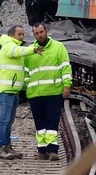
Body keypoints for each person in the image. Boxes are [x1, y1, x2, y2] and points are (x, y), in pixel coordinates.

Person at [23, 22, 71, 161]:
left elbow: (65, 67)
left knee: (52, 122)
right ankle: (42, 150)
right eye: (37, 33)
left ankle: (53, 150)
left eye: (41, 32)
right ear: (33, 35)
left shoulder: (58, 47)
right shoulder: (30, 51)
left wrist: (67, 86)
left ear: (46, 31)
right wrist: (27, 86)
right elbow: (26, 72)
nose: (40, 35)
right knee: (39, 123)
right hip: (35, 93)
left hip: (53, 92)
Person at [0, 25, 33, 160]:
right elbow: (16, 52)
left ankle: (8, 146)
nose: (22, 37)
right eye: (19, 34)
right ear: (12, 35)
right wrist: (34, 49)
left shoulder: (15, 47)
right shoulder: (8, 45)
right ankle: (2, 148)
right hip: (5, 91)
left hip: (13, 92)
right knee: (4, 121)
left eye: (23, 34)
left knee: (9, 121)